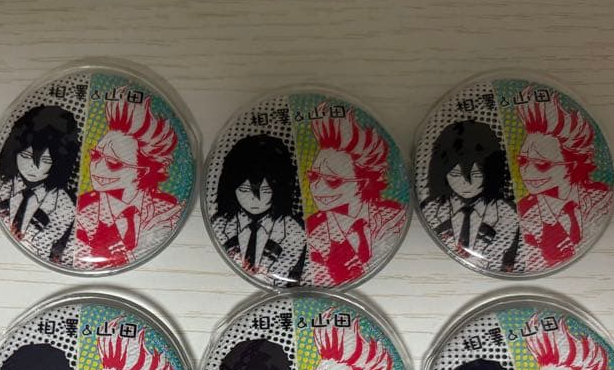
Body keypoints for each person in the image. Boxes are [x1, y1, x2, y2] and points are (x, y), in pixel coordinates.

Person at [73, 90, 181, 268]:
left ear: (143, 171)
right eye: (96, 155)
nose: (97, 167)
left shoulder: (167, 209)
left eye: (113, 162)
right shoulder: (82, 212)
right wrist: (145, 242)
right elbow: (84, 262)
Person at [305, 108, 407, 286]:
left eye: (332, 180)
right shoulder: (309, 233)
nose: (316, 187)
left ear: (365, 182)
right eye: (313, 176)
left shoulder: (396, 216)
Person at [515, 91, 613, 267]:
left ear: (573, 164)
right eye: (522, 160)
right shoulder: (521, 215)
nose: (527, 171)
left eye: (541, 163)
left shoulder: (603, 198)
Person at [421, 120, 520, 272]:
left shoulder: (509, 214)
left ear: (491, 172)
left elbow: (507, 262)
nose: (466, 184)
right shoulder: (430, 208)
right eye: (455, 174)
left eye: (476, 174)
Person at [211, 134, 306, 286]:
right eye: (244, 190)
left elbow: (285, 278)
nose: (255, 199)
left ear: (279, 190)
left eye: (266, 191)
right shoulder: (219, 224)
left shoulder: (295, 232)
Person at [0, 105, 79, 264]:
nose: (33, 167)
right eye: (25, 156)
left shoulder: (66, 209)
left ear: (59, 163)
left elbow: (58, 254)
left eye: (45, 160)